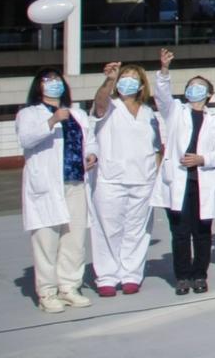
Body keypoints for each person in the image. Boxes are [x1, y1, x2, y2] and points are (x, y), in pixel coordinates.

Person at [151, 52, 215, 296]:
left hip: (203, 180)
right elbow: (162, 97)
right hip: (178, 180)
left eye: (199, 87)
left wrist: (202, 159)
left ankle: (200, 275)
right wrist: (165, 70)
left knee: (201, 232)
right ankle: (182, 276)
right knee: (179, 232)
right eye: (190, 86)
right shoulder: (176, 111)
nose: (194, 90)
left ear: (209, 93)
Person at [17, 66, 95, 312]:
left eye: (57, 80)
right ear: (38, 86)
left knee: (74, 239)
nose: (53, 84)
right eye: (47, 80)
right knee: (46, 240)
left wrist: (93, 154)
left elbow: (90, 139)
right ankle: (47, 293)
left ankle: (69, 287)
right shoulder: (29, 113)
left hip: (75, 181)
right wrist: (51, 121)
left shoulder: (77, 113)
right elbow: (26, 140)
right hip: (48, 185)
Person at [88, 60, 162, 296]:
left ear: (141, 86)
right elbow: (99, 104)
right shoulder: (109, 105)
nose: (126, 81)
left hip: (143, 178)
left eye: (132, 78)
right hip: (111, 178)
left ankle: (131, 274)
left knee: (137, 230)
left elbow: (158, 145)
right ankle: (107, 276)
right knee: (108, 228)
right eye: (123, 77)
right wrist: (109, 79)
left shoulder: (149, 112)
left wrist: (158, 174)